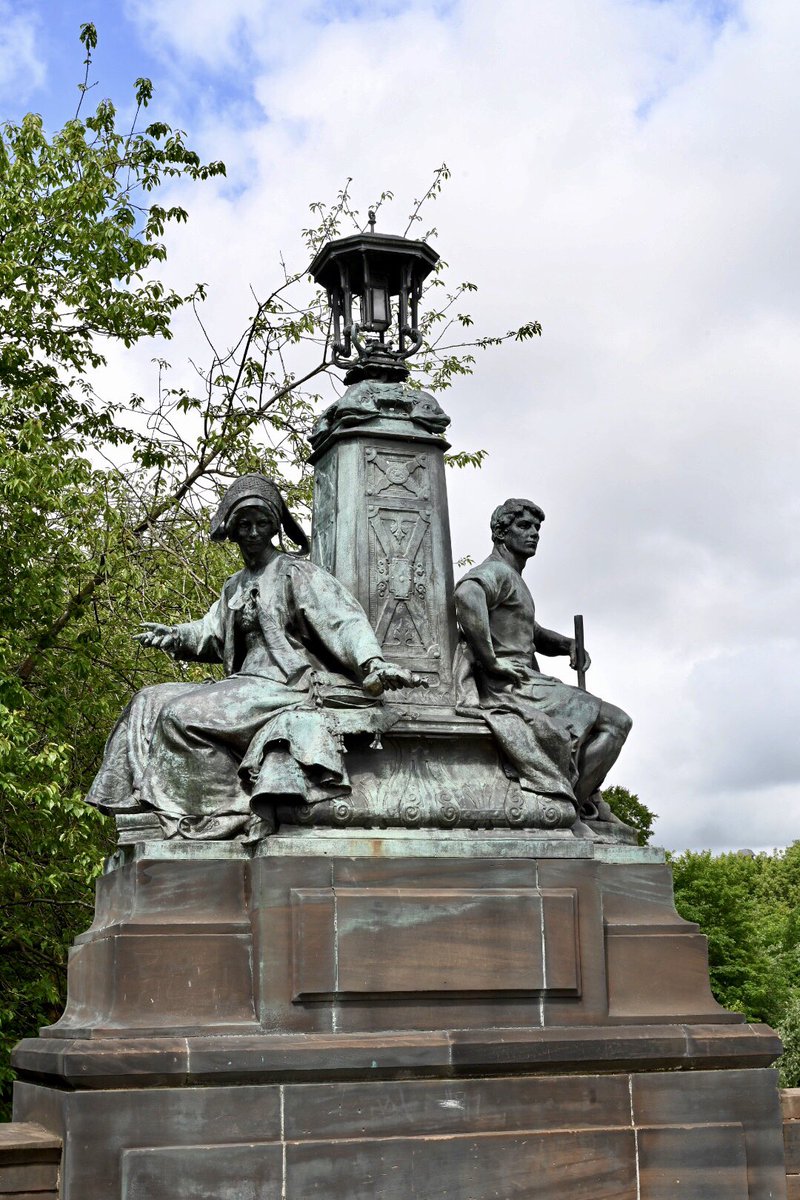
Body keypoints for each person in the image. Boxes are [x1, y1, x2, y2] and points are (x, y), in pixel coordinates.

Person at [87, 474, 424, 841]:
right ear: (232, 530)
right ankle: (145, 807)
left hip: (284, 685)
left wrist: (372, 663)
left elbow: (344, 621)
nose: (252, 533)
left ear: (275, 527)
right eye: (243, 525)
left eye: (261, 523)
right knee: (147, 702)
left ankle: (223, 811)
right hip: (244, 684)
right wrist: (173, 635)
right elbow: (210, 633)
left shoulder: (296, 573)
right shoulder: (234, 585)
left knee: (178, 716)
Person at [453, 498, 631, 827]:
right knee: (616, 723)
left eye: (537, 528)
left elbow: (531, 632)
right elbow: (467, 595)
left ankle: (575, 805)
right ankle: (568, 809)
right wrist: (491, 662)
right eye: (523, 526)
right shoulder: (492, 573)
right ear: (500, 533)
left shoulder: (512, 578)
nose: (533, 533)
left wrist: (568, 645)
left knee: (603, 727)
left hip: (528, 683)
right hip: (513, 687)